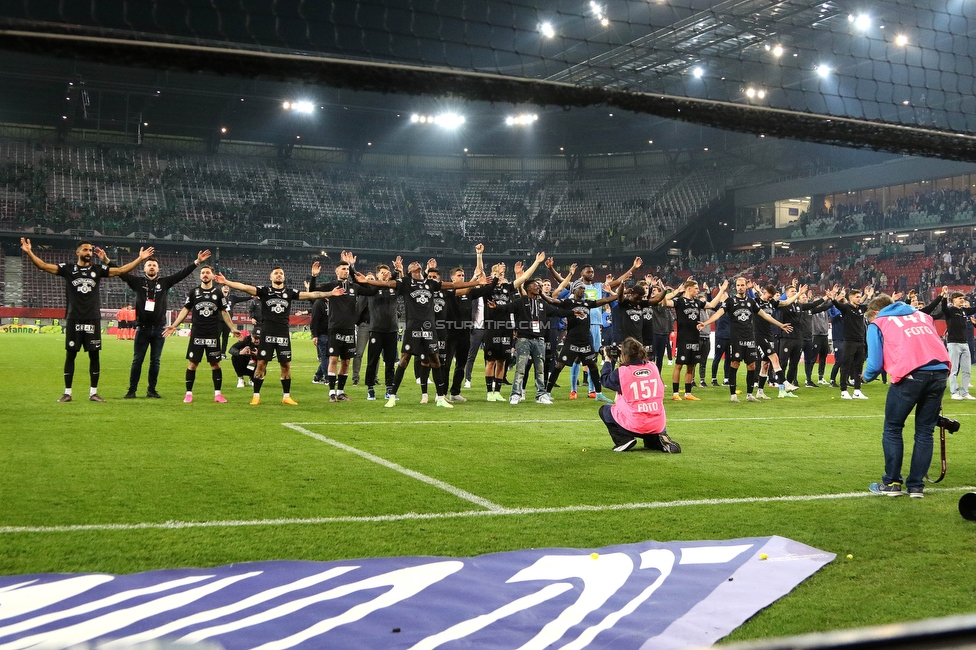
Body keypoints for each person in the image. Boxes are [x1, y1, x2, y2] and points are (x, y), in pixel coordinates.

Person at [20, 238, 154, 402]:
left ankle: (93, 393)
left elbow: (120, 271)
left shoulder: (97, 269)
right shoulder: (68, 269)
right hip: (74, 318)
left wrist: (140, 259)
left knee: (94, 356)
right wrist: (29, 252)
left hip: (92, 319)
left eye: (90, 250)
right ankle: (67, 393)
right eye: (85, 250)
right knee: (71, 356)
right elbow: (43, 266)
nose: (88, 253)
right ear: (77, 252)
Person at [355, 255, 486, 408]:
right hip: (413, 327)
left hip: (429, 328)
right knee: (404, 360)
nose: (415, 263)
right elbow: (387, 284)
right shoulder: (405, 283)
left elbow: (452, 285)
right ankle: (392, 396)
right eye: (413, 264)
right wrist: (367, 281)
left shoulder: (430, 283)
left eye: (417, 263)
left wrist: (476, 282)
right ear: (410, 271)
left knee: (435, 361)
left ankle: (441, 397)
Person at [216, 265, 344, 405]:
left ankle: (286, 397)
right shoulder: (264, 291)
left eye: (281, 273)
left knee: (286, 365)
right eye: (276, 273)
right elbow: (244, 287)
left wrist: (330, 294)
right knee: (261, 364)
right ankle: (256, 396)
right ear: (271, 277)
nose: (279, 275)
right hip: (267, 333)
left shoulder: (289, 292)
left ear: (284, 277)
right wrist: (226, 282)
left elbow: (311, 294)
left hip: (283, 334)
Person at [863, 293, 950, 498]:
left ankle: (892, 483)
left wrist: (865, 377)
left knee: (893, 428)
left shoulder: (879, 323)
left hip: (910, 375)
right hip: (939, 371)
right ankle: (916, 487)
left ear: (875, 312)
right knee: (924, 431)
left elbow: (874, 364)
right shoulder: (922, 316)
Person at [118, 250, 211, 399]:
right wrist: (106, 260)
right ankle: (132, 390)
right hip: (142, 328)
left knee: (155, 361)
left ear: (158, 268)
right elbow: (121, 273)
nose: (152, 267)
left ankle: (151, 390)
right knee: (137, 360)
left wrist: (197, 262)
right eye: (149, 265)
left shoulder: (164, 282)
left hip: (159, 330)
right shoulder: (138, 282)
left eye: (154, 265)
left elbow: (181, 274)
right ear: (144, 268)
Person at [698, 276, 793, 404]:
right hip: (736, 339)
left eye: (742, 285)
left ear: (745, 287)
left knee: (752, 365)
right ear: (736, 287)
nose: (740, 287)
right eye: (738, 285)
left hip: (750, 338)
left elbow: (765, 315)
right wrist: (706, 323)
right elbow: (718, 313)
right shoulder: (731, 301)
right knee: (734, 364)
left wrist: (780, 325)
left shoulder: (751, 302)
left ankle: (749, 394)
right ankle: (733, 395)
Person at [164, 265, 242, 403]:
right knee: (192, 364)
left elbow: (224, 312)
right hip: (197, 334)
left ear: (212, 276)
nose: (205, 275)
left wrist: (233, 328)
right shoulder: (193, 292)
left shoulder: (218, 293)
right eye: (202, 273)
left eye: (207, 272)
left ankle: (218, 394)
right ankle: (188, 394)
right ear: (200, 276)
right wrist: (174, 325)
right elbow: (185, 310)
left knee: (215, 364)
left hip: (212, 334)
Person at [598, 337, 681, 453]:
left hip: (636, 424)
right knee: (650, 431)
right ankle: (657, 440)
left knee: (605, 410)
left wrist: (608, 359)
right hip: (657, 424)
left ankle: (623, 440)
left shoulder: (622, 373)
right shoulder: (653, 367)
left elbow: (605, 380)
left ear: (625, 355)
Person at [658, 278, 727, 401]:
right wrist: (664, 292)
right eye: (696, 288)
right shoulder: (679, 301)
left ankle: (688, 393)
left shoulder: (697, 302)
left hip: (695, 337)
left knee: (691, 366)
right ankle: (675, 393)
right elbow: (665, 303)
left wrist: (721, 291)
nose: (698, 290)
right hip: (684, 338)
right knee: (679, 365)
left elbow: (711, 305)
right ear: (689, 289)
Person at [310, 252, 362, 402]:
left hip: (349, 330)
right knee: (333, 359)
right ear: (336, 271)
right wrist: (314, 276)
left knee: (346, 362)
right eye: (343, 269)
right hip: (334, 329)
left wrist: (353, 268)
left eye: (347, 269)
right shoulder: (332, 286)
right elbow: (313, 292)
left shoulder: (354, 287)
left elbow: (369, 289)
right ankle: (331, 392)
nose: (345, 271)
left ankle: (341, 391)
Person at [940, 288, 976, 400]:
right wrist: (944, 297)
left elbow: (974, 309)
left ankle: (965, 392)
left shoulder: (964, 311)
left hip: (964, 343)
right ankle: (954, 392)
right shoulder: (950, 311)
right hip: (954, 343)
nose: (962, 300)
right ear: (954, 300)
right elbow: (944, 308)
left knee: (967, 370)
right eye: (960, 298)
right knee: (954, 369)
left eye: (963, 298)